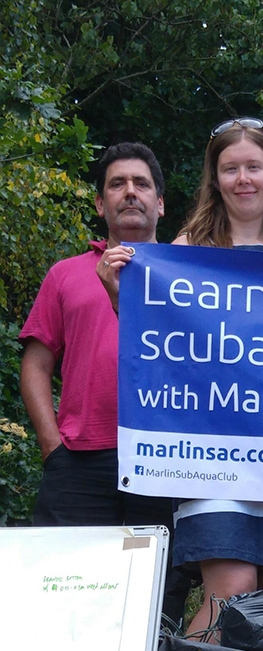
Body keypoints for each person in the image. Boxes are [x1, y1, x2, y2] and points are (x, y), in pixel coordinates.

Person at [107, 119, 263, 641]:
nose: (243, 178)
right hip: (210, 456)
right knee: (232, 592)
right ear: (216, 178)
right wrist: (123, 294)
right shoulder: (186, 249)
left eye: (254, 167)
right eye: (231, 169)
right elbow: (158, 341)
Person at [20, 142, 188, 623]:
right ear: (100, 203)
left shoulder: (193, 279)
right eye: (117, 184)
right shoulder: (65, 275)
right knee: (61, 594)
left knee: (155, 601)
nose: (129, 193)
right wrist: (51, 445)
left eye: (141, 184)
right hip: (79, 460)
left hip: (163, 458)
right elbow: (36, 364)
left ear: (160, 203)